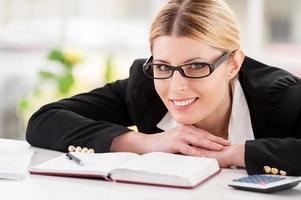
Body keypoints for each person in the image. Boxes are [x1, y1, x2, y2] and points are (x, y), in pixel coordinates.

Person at [26, 0, 301, 176]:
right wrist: (145, 142)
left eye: (195, 66)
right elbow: (45, 120)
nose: (176, 86)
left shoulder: (281, 97)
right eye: (164, 67)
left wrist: (233, 154)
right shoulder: (144, 88)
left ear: (233, 64)